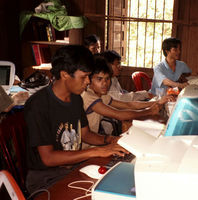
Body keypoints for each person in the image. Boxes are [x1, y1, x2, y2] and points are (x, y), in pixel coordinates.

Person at [24, 45, 127, 194]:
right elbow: (48, 158)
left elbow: (85, 134)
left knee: (114, 184)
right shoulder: (39, 105)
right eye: (84, 77)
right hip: (45, 178)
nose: (87, 82)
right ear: (65, 74)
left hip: (71, 167)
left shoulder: (75, 99)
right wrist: (97, 151)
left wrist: (111, 140)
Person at [81, 57, 175, 137]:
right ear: (89, 79)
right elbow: (119, 115)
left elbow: (130, 105)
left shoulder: (102, 96)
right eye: (99, 79)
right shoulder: (89, 96)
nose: (105, 83)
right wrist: (149, 111)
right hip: (88, 145)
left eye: (107, 79)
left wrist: (158, 102)